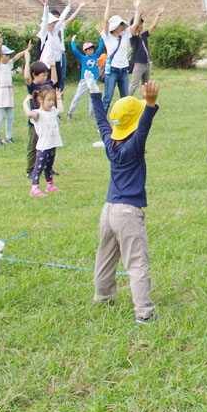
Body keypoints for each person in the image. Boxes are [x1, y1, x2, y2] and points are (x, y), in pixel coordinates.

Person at [87, 74, 160, 325]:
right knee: (137, 262)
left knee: (105, 255)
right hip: (128, 212)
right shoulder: (134, 145)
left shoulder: (110, 143)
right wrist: (149, 105)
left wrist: (94, 93)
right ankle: (144, 312)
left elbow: (101, 121)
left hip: (108, 210)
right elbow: (144, 127)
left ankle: (103, 296)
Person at [37, 0, 84, 93]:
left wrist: (69, 6)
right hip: (48, 64)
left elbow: (62, 18)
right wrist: (46, 7)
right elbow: (45, 20)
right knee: (48, 86)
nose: (54, 25)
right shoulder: (44, 34)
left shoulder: (55, 32)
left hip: (57, 62)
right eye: (52, 23)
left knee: (57, 85)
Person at [24, 85, 64, 195]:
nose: (51, 103)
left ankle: (50, 185)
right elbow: (28, 114)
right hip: (43, 146)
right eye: (49, 100)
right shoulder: (38, 114)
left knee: (49, 167)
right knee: (38, 167)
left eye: (53, 100)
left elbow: (61, 110)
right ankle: (34, 188)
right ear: (40, 100)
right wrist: (24, 103)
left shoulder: (53, 111)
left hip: (52, 143)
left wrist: (59, 99)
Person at [0, 36, 29, 145]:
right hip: (1, 92)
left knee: (10, 117)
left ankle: (9, 137)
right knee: (0, 117)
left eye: (9, 55)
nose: (8, 57)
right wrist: (0, 43)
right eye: (6, 55)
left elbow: (16, 57)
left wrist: (26, 50)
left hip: (9, 91)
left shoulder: (8, 64)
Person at [99, 0, 133, 114]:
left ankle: (126, 118)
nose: (120, 27)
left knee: (125, 97)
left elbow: (134, 26)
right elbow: (106, 20)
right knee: (108, 97)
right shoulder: (107, 36)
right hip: (112, 69)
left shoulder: (124, 36)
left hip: (123, 69)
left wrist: (138, 9)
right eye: (118, 25)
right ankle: (102, 120)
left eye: (121, 25)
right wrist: (108, 1)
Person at [21, 50, 51, 177]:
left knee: (48, 145)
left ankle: (47, 168)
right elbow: (26, 78)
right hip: (35, 121)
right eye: (42, 75)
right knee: (33, 146)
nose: (45, 78)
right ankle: (30, 170)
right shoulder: (33, 87)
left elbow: (53, 79)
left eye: (45, 75)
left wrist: (53, 65)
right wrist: (27, 60)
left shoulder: (46, 85)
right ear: (35, 75)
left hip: (46, 120)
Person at [128, 0, 164, 94]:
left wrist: (158, 15)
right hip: (138, 64)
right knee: (134, 85)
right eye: (140, 24)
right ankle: (125, 100)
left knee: (146, 86)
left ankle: (147, 104)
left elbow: (152, 26)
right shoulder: (132, 37)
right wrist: (138, 14)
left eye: (142, 24)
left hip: (147, 64)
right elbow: (134, 25)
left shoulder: (143, 35)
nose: (141, 26)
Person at [67, 36, 104, 119]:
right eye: (89, 49)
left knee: (93, 96)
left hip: (93, 79)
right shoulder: (82, 58)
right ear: (85, 51)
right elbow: (74, 50)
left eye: (92, 49)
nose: (91, 51)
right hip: (84, 80)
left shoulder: (95, 56)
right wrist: (73, 41)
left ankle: (91, 113)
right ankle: (70, 112)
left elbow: (100, 47)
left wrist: (101, 38)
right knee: (78, 96)